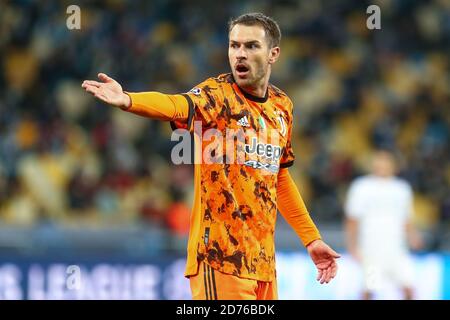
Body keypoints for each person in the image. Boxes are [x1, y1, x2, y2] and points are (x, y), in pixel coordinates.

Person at [82, 12, 339, 300]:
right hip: (220, 258)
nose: (240, 54)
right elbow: (176, 105)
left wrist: (311, 238)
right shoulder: (216, 95)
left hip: (263, 264)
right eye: (234, 45)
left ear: (273, 54)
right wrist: (129, 100)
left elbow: (278, 178)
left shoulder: (281, 107)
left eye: (251, 46)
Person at [345, 150, 422, 300]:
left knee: (409, 288)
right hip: (371, 251)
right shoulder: (362, 187)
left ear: (394, 166)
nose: (382, 165)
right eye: (379, 161)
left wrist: (413, 237)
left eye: (386, 162)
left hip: (397, 250)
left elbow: (406, 219)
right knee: (369, 289)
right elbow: (352, 219)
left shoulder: (401, 188)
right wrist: (352, 246)